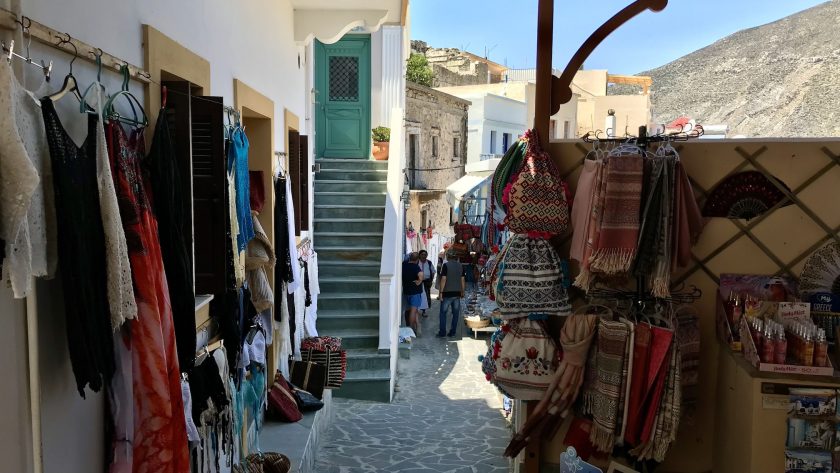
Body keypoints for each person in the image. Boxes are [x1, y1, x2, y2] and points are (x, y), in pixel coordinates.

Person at [437, 251, 466, 337]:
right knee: (456, 314)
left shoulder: (446, 265)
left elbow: (443, 279)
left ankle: (442, 333)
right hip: (457, 293)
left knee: (443, 313)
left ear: (448, 257)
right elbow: (462, 280)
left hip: (447, 293)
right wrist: (462, 291)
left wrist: (441, 292)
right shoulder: (461, 266)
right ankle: (452, 332)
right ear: (457, 258)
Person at [402, 252, 424, 334]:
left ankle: (416, 325)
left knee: (408, 310)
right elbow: (421, 275)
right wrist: (419, 280)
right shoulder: (416, 267)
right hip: (415, 292)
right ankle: (410, 329)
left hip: (406, 291)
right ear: (417, 260)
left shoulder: (403, 265)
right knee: (413, 311)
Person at [418, 250, 435, 317]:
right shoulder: (417, 262)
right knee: (418, 295)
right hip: (418, 281)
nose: (424, 256)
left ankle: (424, 311)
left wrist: (431, 280)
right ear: (419, 255)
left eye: (425, 254)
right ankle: (416, 309)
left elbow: (433, 271)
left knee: (426, 295)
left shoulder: (429, 262)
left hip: (426, 281)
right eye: (422, 254)